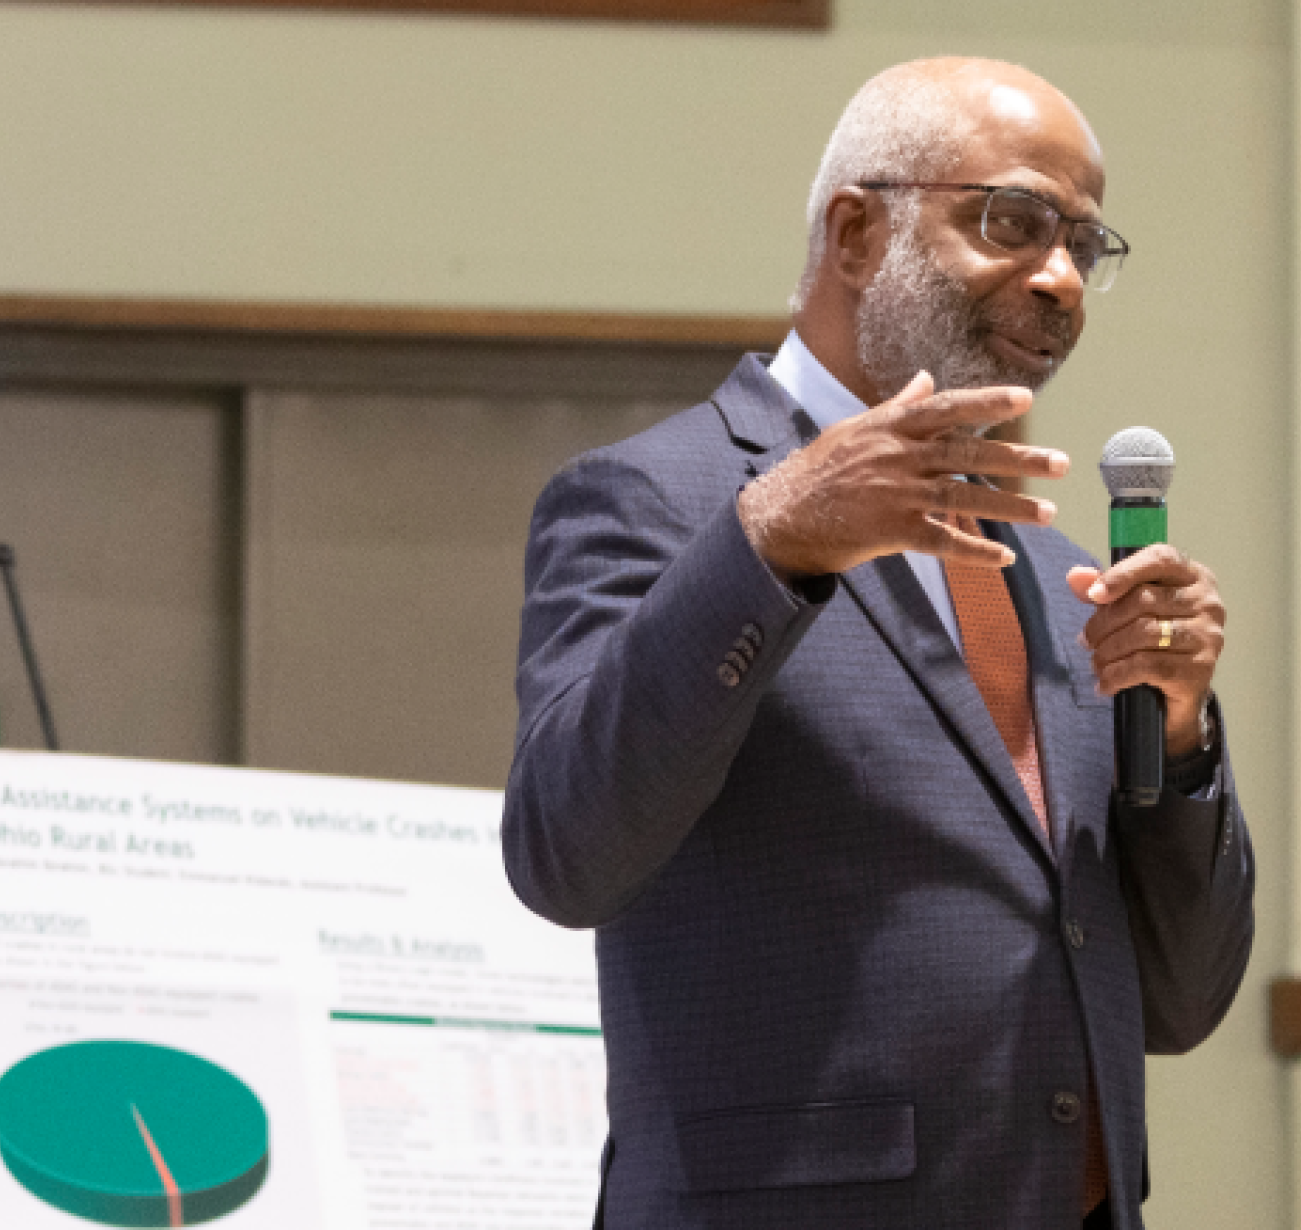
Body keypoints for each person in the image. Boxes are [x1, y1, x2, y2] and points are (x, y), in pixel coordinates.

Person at [502, 57, 1254, 1230]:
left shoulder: (1068, 582)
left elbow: (1178, 1001)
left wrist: (1182, 738)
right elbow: (564, 857)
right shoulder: (660, 501)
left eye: (1082, 244)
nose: (1060, 278)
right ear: (857, 232)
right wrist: (770, 543)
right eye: (1014, 222)